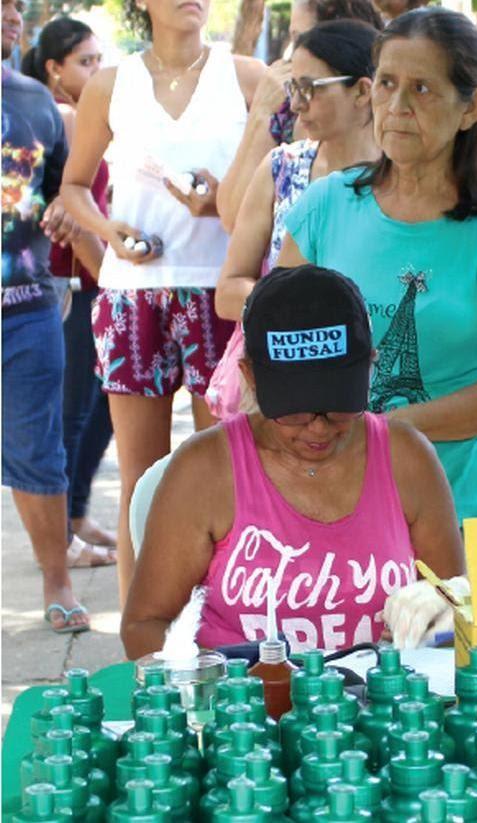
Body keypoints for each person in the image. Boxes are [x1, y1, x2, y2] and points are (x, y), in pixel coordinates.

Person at [275, 7, 477, 525]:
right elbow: (274, 344)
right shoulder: (325, 204)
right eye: (386, 84)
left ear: (472, 108)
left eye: (422, 89)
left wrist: (384, 428)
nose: (397, 106)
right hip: (332, 496)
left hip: (462, 500)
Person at [121, 265, 464, 656]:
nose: (318, 429)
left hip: (382, 704)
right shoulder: (205, 472)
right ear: (250, 377)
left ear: (371, 366)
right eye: (293, 412)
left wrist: (440, 608)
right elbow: (142, 626)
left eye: (339, 409)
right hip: (245, 706)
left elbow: (453, 602)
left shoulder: (407, 458)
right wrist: (221, 680)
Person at [60, 0, 265, 607]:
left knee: (227, 474)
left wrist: (222, 202)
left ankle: (228, 627)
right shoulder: (109, 85)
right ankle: (140, 638)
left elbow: (281, 177)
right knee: (140, 479)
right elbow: (72, 186)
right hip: (132, 296)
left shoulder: (248, 77)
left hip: (221, 292)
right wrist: (109, 228)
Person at [209, 20, 381, 420]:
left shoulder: (404, 181)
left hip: (373, 389)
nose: (297, 104)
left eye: (309, 89)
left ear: (362, 91)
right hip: (283, 389)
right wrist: (310, 319)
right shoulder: (282, 168)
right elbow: (228, 291)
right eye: (294, 90)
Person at [2, 0, 95, 632]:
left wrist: (67, 226)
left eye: (15, 5)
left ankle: (57, 581)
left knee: (41, 449)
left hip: (28, 308)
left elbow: (67, 195)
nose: (12, 13)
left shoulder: (36, 101)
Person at [21, 17, 118, 559]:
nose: (96, 70)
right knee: (76, 411)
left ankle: (75, 517)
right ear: (54, 69)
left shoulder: (88, 118)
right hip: (69, 282)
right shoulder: (60, 117)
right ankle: (61, 538)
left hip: (92, 275)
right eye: (85, 61)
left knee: (98, 406)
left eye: (99, 59)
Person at [217, 0, 383, 228]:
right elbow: (231, 216)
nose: (292, 53)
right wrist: (261, 111)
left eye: (298, 37)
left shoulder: (394, 158)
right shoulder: (284, 125)